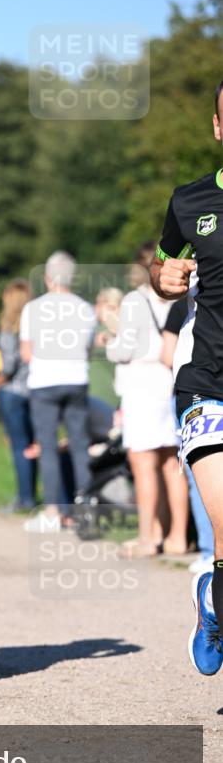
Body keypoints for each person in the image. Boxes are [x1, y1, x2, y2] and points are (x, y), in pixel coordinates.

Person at [150, 78, 223, 676]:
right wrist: (163, 279)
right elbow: (163, 263)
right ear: (220, 129)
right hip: (208, 382)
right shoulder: (190, 201)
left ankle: (211, 597)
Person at [106, 242, 189, 558]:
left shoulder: (134, 300)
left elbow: (124, 349)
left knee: (143, 466)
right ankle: (176, 537)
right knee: (172, 464)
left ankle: (146, 538)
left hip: (141, 386)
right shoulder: (183, 296)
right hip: (172, 382)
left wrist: (109, 339)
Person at [19, 251, 96, 531]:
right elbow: (87, 351)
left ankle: (52, 512)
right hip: (76, 380)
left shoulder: (33, 309)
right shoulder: (85, 309)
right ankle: (85, 511)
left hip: (44, 383)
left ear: (47, 277)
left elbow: (27, 354)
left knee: (48, 448)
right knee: (79, 448)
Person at [161, 294, 214, 574]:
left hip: (197, 393)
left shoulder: (185, 302)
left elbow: (167, 355)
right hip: (205, 394)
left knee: (199, 476)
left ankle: (208, 551)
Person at [0, 278, 36, 513]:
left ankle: (24, 498)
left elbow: (8, 365)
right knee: (32, 445)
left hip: (12, 393)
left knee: (19, 446)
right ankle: (32, 496)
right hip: (34, 391)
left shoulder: (9, 329)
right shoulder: (37, 327)